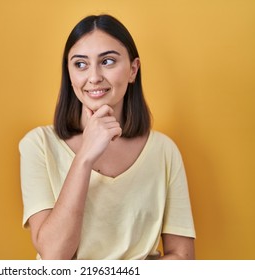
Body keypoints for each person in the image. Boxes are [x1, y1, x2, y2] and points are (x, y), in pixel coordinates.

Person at [19, 14, 195, 260]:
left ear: (133, 70)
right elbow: (54, 255)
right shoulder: (37, 145)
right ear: (69, 75)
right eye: (80, 64)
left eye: (108, 61)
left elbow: (183, 259)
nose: (93, 77)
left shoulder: (164, 151)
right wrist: (84, 158)